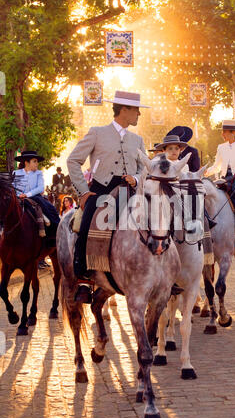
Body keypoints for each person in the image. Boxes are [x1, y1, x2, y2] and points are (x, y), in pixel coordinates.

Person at [67, 90, 150, 299]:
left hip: (131, 191)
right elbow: (73, 161)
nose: (139, 115)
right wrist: (84, 192)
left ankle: (165, 272)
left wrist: (137, 178)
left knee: (160, 219)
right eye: (136, 110)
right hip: (102, 190)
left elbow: (145, 168)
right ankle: (84, 278)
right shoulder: (97, 132)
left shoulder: (137, 140)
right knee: (87, 225)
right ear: (124, 110)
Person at [13, 150, 60, 244]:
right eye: (34, 161)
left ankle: (53, 236)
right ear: (27, 162)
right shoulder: (16, 173)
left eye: (37, 161)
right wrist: (19, 195)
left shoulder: (38, 173)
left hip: (35, 198)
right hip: (18, 198)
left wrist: (27, 195)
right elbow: (13, 187)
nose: (37, 163)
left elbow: (40, 188)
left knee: (50, 210)